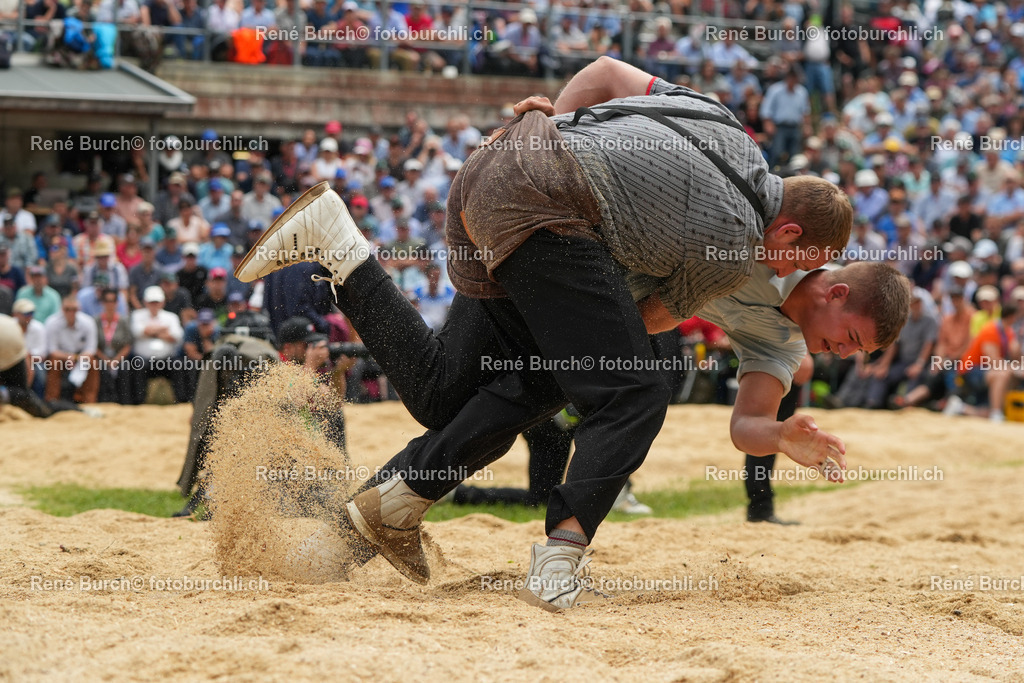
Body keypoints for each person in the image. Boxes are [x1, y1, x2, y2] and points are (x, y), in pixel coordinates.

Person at [235, 58, 892, 611]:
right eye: (851, 338)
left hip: (498, 181)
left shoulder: (733, 154)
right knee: (631, 385)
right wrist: (563, 125)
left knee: (441, 392)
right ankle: (559, 552)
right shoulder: (743, 238)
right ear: (824, 276)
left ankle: (342, 250)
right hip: (555, 215)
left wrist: (777, 434)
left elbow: (746, 421)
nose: (841, 356)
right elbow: (653, 317)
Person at [43, 295, 100, 404]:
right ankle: (52, 401)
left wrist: (79, 358)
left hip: (81, 357)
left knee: (93, 362)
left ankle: (89, 401)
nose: (70, 312)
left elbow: (91, 348)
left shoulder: (88, 322)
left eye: (74, 309)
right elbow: (52, 350)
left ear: (79, 310)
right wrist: (71, 357)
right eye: (67, 309)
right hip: (62, 357)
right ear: (61, 309)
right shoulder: (52, 322)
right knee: (54, 362)